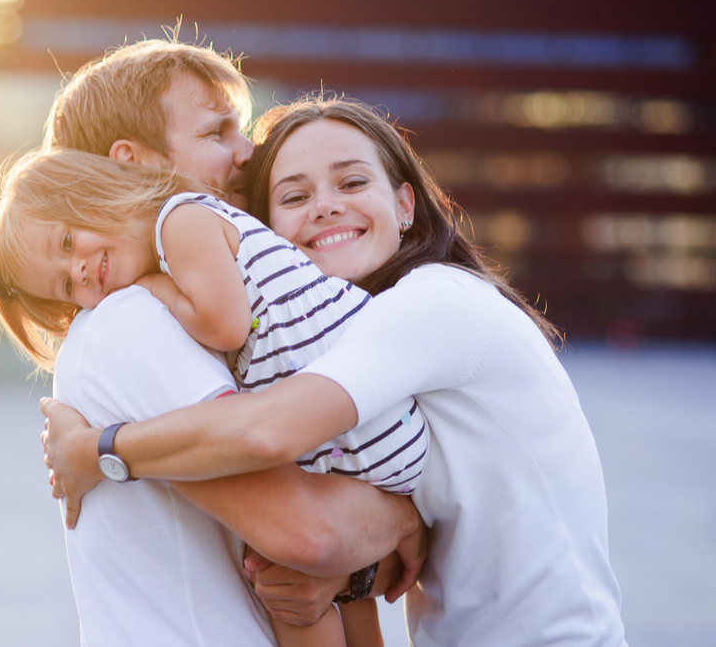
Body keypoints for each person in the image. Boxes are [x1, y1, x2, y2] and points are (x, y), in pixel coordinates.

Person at [42, 97, 629, 647]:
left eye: (351, 182)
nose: (325, 206)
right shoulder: (344, 329)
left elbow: (269, 433)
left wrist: (95, 453)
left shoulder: (434, 302)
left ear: (404, 204)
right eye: (294, 198)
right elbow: (406, 521)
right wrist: (353, 572)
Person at [0, 37, 428, 646]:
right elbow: (308, 533)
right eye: (219, 132)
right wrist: (403, 517)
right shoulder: (135, 318)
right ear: (136, 161)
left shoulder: (188, 276)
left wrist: (387, 533)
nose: (247, 153)